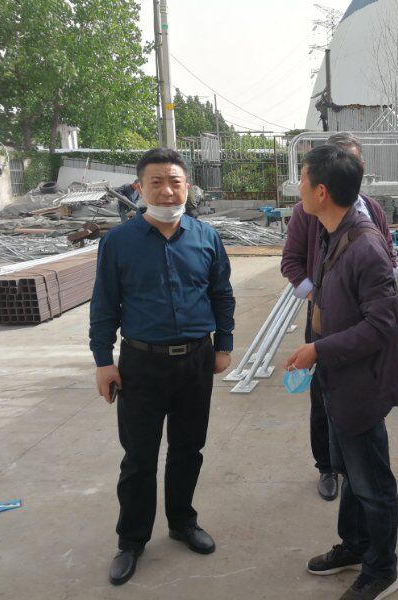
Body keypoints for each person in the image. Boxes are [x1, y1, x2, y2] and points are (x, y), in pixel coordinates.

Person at [89, 148, 236, 586]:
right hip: (141, 365)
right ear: (140, 188)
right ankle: (131, 540)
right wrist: (103, 361)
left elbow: (222, 295)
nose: (167, 191)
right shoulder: (119, 242)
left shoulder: (206, 237)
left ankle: (182, 522)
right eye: (156, 182)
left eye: (175, 181)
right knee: (139, 457)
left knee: (188, 449)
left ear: (187, 186)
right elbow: (104, 306)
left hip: (195, 360)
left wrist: (223, 345)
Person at [285, 144, 398, 600]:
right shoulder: (331, 232)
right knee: (351, 474)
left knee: (372, 483)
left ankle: (382, 568)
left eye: (301, 180)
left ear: (321, 192)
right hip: (337, 379)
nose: (297, 189)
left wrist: (318, 349)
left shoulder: (366, 246)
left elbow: (382, 324)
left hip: (361, 385)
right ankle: (355, 545)